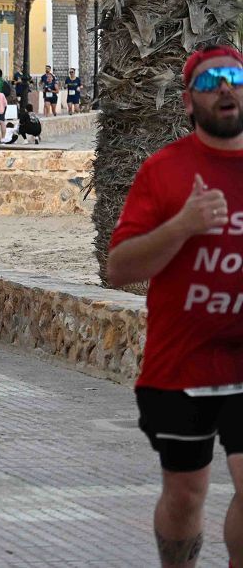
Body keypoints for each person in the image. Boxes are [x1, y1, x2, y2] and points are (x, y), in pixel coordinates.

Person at [106, 44, 243, 568]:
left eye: (233, 76)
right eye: (211, 83)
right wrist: (184, 225)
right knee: (187, 493)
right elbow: (120, 268)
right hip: (179, 362)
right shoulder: (164, 171)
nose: (225, 88)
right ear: (189, 102)